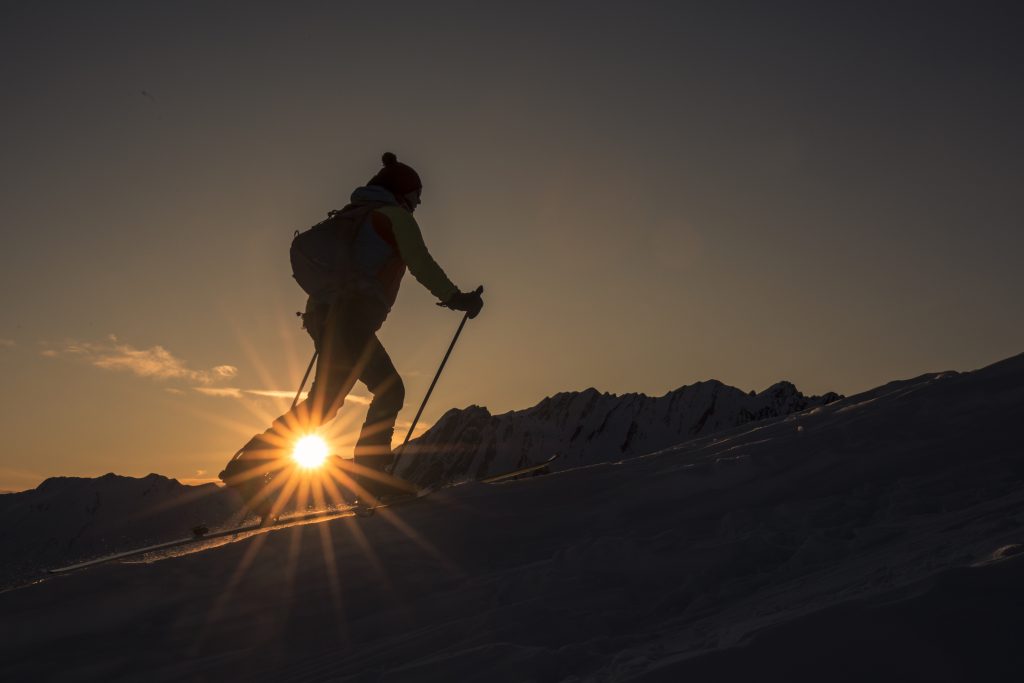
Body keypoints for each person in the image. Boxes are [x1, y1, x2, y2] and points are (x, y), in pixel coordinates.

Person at [219, 152, 483, 512]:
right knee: (389, 389)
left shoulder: (353, 215)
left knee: (323, 407)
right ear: (403, 193)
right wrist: (456, 298)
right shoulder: (394, 218)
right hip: (351, 319)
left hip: (322, 315)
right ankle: (371, 478)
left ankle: (248, 467)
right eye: (417, 195)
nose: (419, 203)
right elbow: (421, 263)